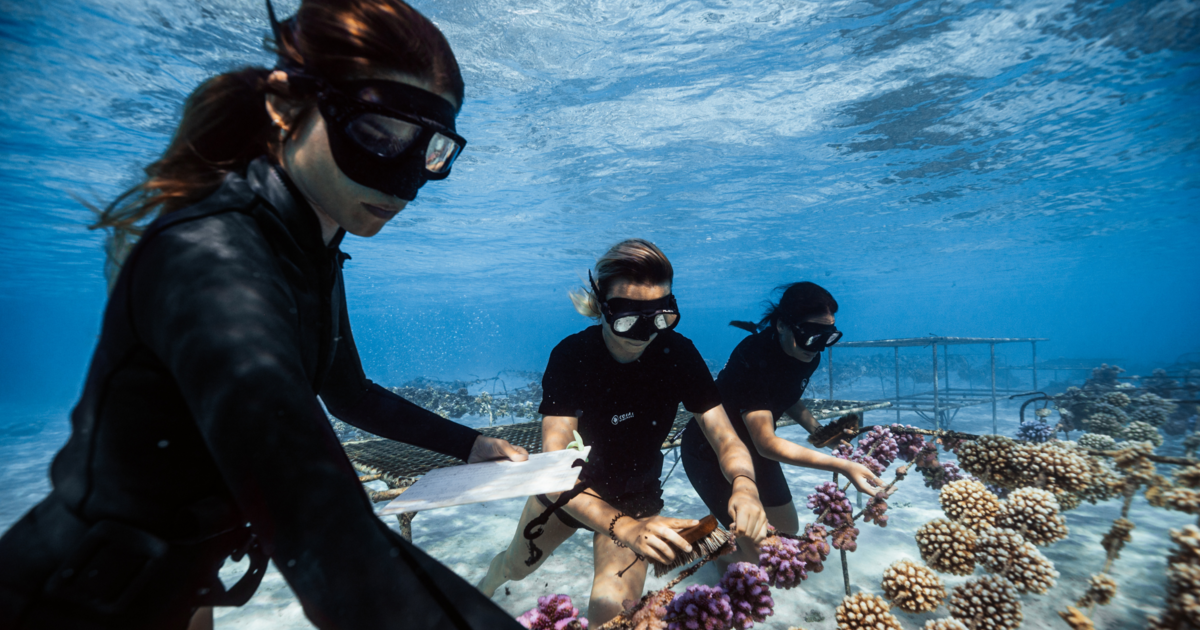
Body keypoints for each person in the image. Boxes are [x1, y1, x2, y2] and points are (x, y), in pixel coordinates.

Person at [0, 2, 529, 628]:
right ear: (285, 104)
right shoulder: (210, 257)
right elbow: (319, 523)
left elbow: (349, 392)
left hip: (168, 582)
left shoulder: (311, 252)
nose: (407, 180)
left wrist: (467, 443)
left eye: (433, 150)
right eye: (376, 134)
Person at [477, 239, 768, 625]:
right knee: (515, 567)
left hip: (636, 496)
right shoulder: (571, 357)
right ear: (601, 307)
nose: (645, 333)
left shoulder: (678, 353)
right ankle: (482, 591)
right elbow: (552, 473)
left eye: (661, 317)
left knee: (611, 610)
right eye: (629, 319)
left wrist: (745, 485)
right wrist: (624, 528)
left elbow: (725, 437)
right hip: (572, 494)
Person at [680, 282, 883, 567]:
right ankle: (711, 561)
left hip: (754, 448)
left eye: (828, 336)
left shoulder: (807, 353)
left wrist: (822, 433)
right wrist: (842, 466)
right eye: (811, 335)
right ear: (782, 326)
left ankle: (720, 550)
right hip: (708, 452)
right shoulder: (755, 357)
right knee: (758, 553)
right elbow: (767, 443)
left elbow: (786, 396)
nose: (818, 346)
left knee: (787, 532)